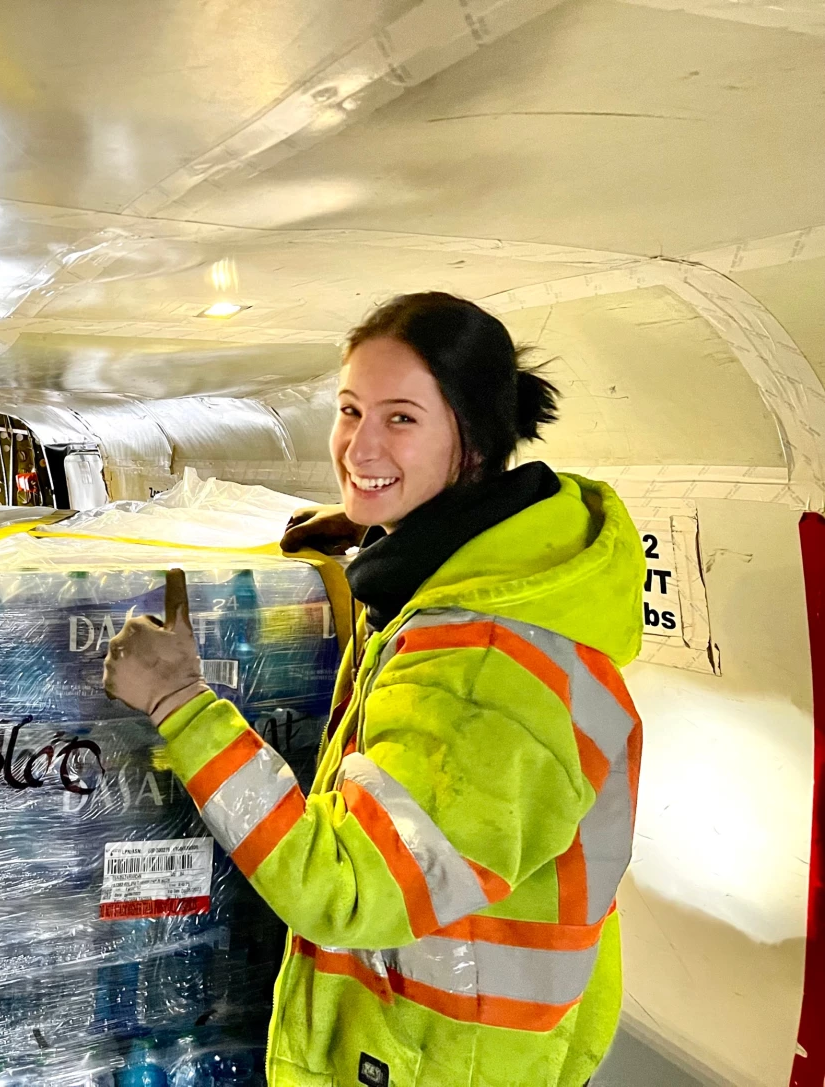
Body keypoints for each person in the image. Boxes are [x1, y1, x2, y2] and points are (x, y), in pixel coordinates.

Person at [104, 292, 643, 1087]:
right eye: (351, 409)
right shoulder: (470, 573)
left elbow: (347, 887)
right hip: (438, 1030)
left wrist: (178, 702)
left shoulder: (489, 666)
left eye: (401, 418)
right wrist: (381, 535)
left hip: (446, 1055)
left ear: (475, 441)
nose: (359, 443)